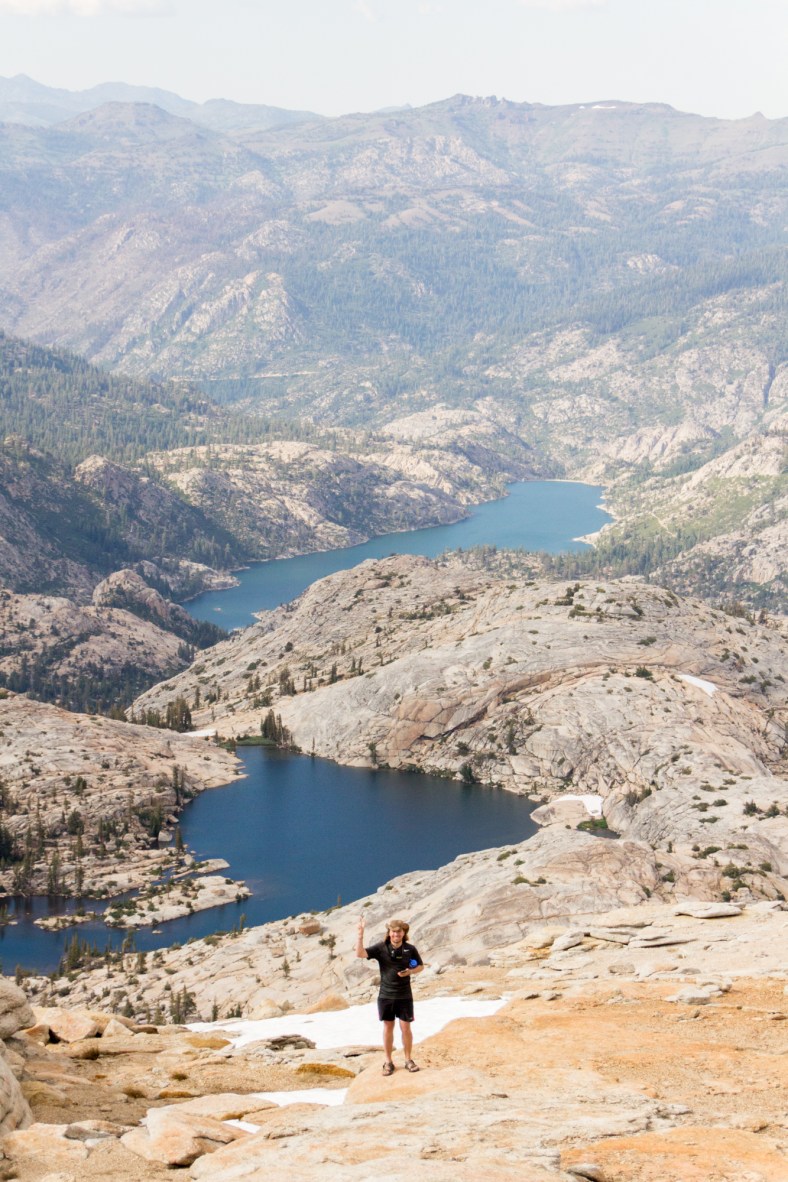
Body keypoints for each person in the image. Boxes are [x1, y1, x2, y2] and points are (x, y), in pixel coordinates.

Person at [356, 915, 424, 1076]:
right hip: (386, 995)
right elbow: (360, 954)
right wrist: (360, 935)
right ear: (389, 933)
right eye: (393, 932)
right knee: (388, 1027)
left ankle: (408, 1060)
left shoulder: (410, 949)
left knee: (406, 1027)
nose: (396, 935)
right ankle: (388, 1061)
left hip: (405, 995)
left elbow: (420, 966)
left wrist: (410, 971)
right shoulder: (381, 948)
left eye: (399, 932)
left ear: (403, 933)